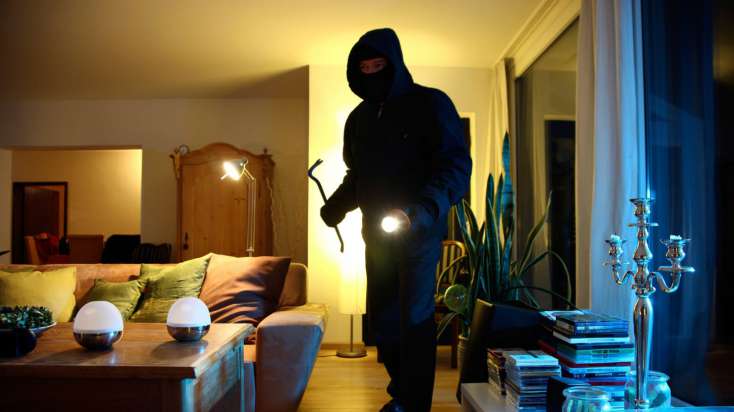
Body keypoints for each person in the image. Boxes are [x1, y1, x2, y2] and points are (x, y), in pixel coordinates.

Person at [320, 28, 472, 412]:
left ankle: (413, 404)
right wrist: (337, 205)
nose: (372, 73)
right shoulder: (358, 119)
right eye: (365, 68)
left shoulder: (431, 104)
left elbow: (455, 167)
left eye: (379, 65)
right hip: (375, 235)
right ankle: (400, 393)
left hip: (419, 232)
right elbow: (357, 176)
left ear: (395, 64)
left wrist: (420, 211)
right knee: (383, 320)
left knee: (415, 319)